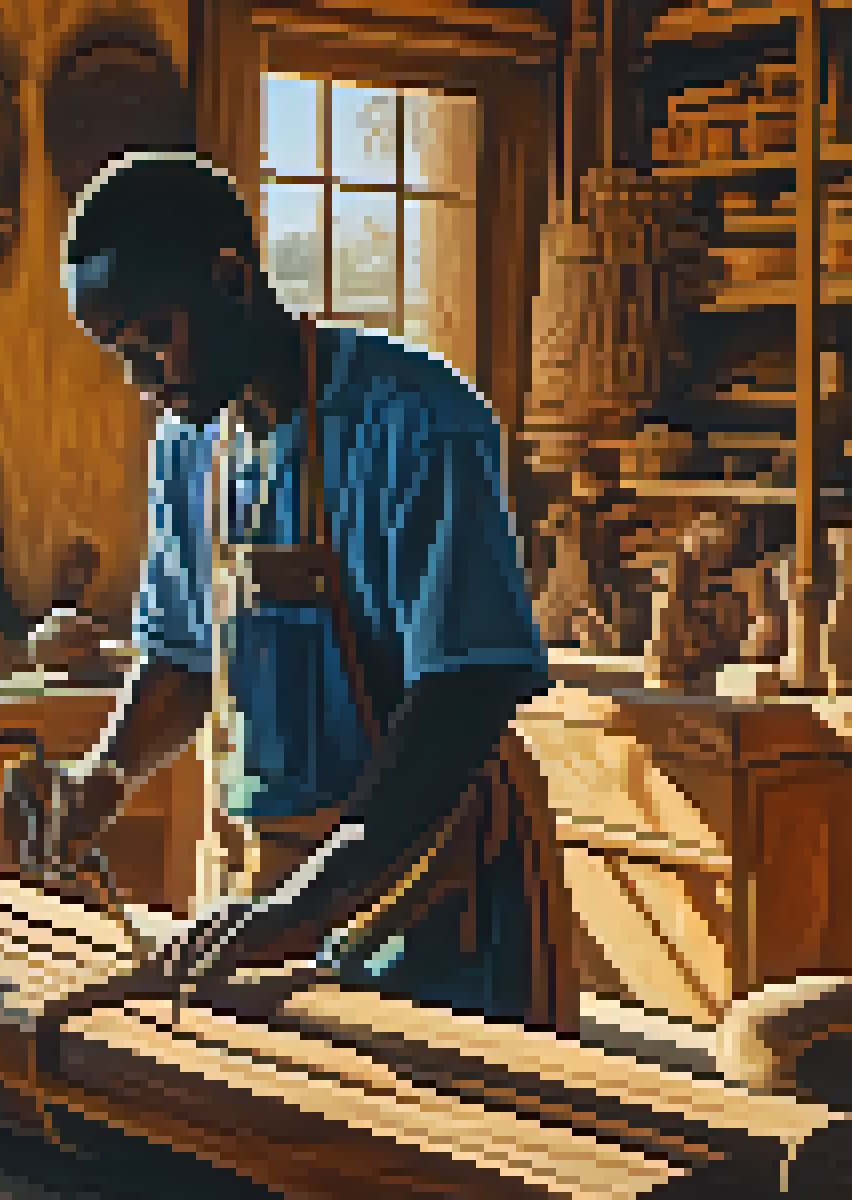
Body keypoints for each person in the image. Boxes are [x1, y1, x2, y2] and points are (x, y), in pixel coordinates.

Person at [33, 150, 574, 1031]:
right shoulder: (188, 446)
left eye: (155, 337)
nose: (143, 378)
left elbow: (463, 695)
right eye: (121, 353)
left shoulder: (419, 423)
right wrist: (100, 781)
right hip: (266, 874)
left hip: (425, 879)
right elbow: (177, 659)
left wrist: (312, 903)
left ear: (231, 277)